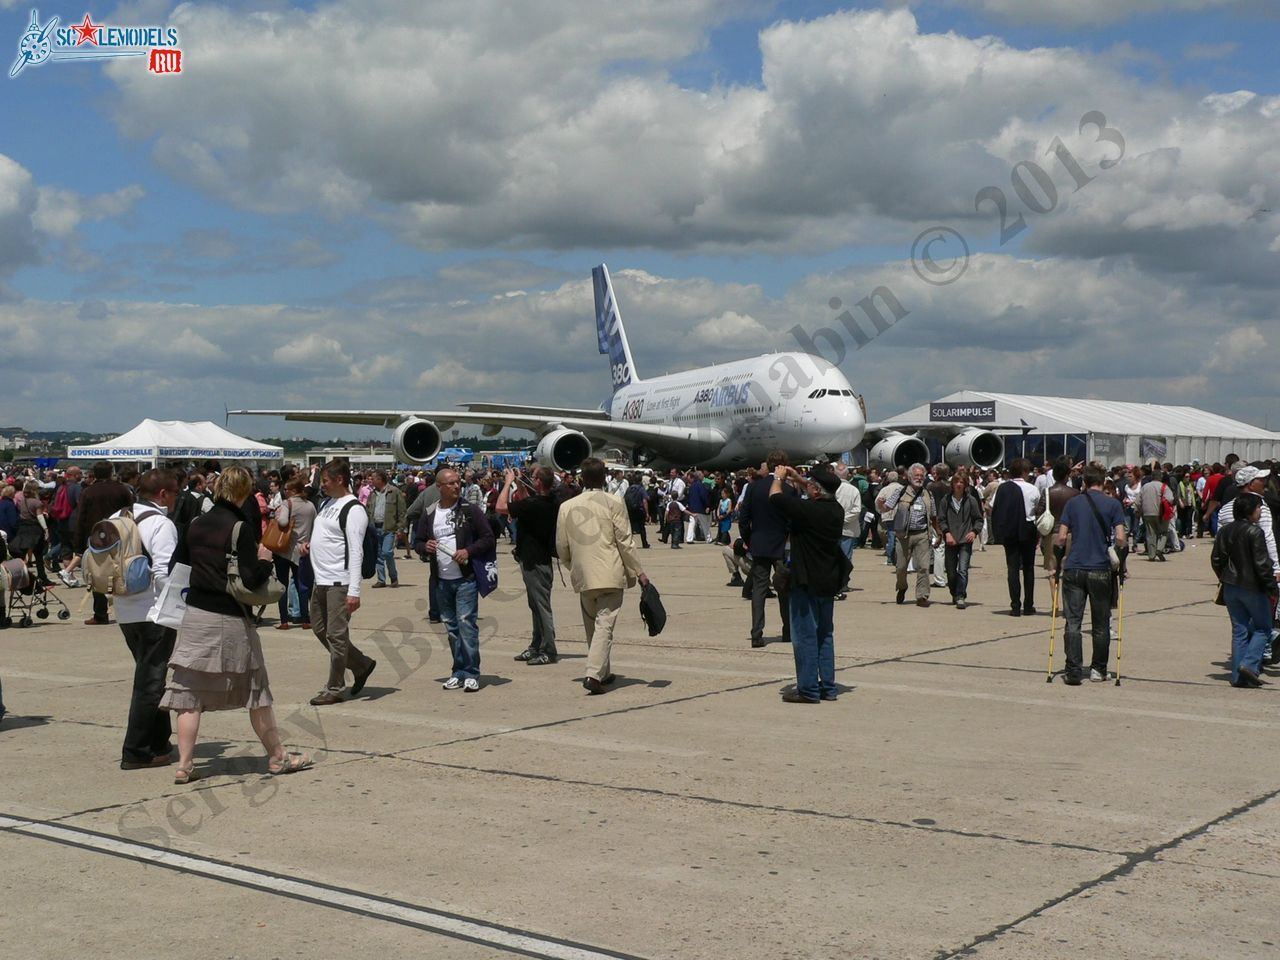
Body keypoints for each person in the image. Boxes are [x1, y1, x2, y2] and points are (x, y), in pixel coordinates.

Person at [161, 466, 312, 783]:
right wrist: (265, 558)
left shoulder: (195, 525)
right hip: (230, 617)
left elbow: (178, 566)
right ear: (243, 492)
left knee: (187, 694)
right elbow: (250, 578)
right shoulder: (239, 527)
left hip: (196, 616)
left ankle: (184, 765)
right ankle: (277, 757)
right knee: (256, 691)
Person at [555, 458, 648, 694]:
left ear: (582, 479)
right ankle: (593, 674)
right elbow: (625, 541)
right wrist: (639, 571)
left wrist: (573, 566)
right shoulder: (614, 502)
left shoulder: (567, 506)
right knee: (605, 625)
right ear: (604, 476)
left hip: (584, 576)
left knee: (592, 627)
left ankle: (603, 672)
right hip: (610, 572)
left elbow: (561, 546)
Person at [111, 470, 181, 770]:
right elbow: (164, 573)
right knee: (150, 683)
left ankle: (159, 741)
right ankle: (136, 751)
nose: (177, 498)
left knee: (150, 677)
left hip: (125, 610)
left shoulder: (117, 516)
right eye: (175, 492)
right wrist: (178, 609)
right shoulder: (160, 524)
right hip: (153, 611)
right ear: (163, 494)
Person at [769, 465, 846, 703]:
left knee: (804, 636)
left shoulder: (808, 510)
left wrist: (779, 477)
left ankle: (808, 689)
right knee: (825, 635)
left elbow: (775, 497)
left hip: (806, 580)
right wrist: (800, 479)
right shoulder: (836, 509)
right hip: (828, 580)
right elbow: (818, 492)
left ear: (815, 491)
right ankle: (828, 687)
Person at [415, 468, 495, 692]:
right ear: (439, 487)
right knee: (451, 627)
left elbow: (488, 538)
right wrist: (425, 547)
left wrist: (468, 551)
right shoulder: (431, 512)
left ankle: (471, 672)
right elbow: (418, 541)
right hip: (441, 580)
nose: (456, 486)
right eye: (450, 483)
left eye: (458, 482)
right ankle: (458, 671)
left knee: (466, 625)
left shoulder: (470, 510)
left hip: (465, 578)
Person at [307, 460, 377, 705]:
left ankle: (335, 687)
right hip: (321, 579)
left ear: (339, 480)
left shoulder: (353, 509)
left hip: (339, 582)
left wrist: (354, 591)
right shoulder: (327, 504)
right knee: (319, 629)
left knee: (336, 636)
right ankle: (361, 664)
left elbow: (356, 551)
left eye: (325, 480)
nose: (321, 485)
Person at [1052, 464, 1128, 685]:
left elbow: (1062, 536)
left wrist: (1059, 558)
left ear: (1084, 482)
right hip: (1100, 568)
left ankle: (1074, 670)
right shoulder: (1113, 504)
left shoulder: (1073, 503)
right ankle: (1098, 669)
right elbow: (1121, 538)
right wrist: (1119, 559)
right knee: (1100, 622)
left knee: (1073, 622)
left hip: (1075, 566)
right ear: (1103, 482)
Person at [1212, 491, 1278, 687]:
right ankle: (1249, 664)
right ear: (1250, 510)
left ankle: (1237, 676)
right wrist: (1272, 587)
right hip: (1252, 587)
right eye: (1258, 507)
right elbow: (1261, 564)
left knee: (1239, 630)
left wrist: (1224, 577)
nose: (1259, 511)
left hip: (1231, 586)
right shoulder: (1254, 531)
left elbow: (1216, 559)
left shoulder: (1225, 530)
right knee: (1263, 628)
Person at [498, 465, 559, 666]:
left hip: (535, 561)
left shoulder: (535, 504)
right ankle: (536, 645)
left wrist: (507, 483)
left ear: (539, 482)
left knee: (541, 607)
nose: (531, 479)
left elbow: (500, 507)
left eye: (533, 477)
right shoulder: (548, 502)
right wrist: (518, 481)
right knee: (535, 605)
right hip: (537, 559)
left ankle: (548, 649)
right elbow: (526, 502)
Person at [739, 451, 794, 647]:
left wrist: (748, 539)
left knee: (759, 590)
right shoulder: (788, 490)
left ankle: (756, 633)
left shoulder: (753, 488)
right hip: (781, 544)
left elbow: (744, 517)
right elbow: (792, 519)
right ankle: (788, 630)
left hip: (759, 543)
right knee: (784, 589)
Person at [74, 462, 135, 626]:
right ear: (111, 472)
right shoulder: (122, 489)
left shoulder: (88, 491)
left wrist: (78, 545)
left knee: (98, 574)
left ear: (94, 473)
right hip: (120, 534)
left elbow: (81, 518)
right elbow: (131, 511)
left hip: (96, 537)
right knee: (122, 572)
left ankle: (100, 614)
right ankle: (128, 610)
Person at [880, 463, 937, 607]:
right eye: (916, 475)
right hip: (903, 535)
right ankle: (902, 587)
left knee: (924, 567)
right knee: (901, 567)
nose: (919, 478)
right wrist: (881, 505)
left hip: (922, 534)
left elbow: (934, 515)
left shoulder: (928, 494)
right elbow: (887, 507)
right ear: (910, 477)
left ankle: (922, 596)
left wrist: (938, 532)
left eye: (921, 476)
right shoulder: (901, 492)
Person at [991, 458, 1041, 617]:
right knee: (1028, 568)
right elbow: (1036, 509)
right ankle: (1028, 604)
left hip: (1010, 529)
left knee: (1012, 568)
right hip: (1028, 528)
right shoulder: (1032, 489)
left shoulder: (1003, 488)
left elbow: (992, 506)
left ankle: (1015, 605)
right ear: (1025, 472)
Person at [271, 476, 316, 631]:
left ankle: (284, 621)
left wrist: (277, 515)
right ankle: (305, 619)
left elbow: (283, 522)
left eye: (286, 489)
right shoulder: (310, 505)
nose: (285, 492)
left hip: (284, 549)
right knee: (302, 585)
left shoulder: (286, 504)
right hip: (302, 550)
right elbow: (315, 525)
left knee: (282, 585)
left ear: (294, 490)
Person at [938, 472, 984, 609]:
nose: (959, 485)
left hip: (965, 540)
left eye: (961, 482)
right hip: (951, 539)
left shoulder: (971, 501)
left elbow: (979, 518)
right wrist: (946, 533)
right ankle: (954, 591)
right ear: (952, 484)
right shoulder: (946, 500)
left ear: (965, 485)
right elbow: (941, 519)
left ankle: (960, 596)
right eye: (956, 482)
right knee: (951, 571)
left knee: (963, 569)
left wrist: (974, 531)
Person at [365, 470, 406, 588]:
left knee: (387, 552)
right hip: (374, 528)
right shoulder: (372, 494)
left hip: (389, 528)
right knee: (378, 555)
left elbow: (402, 512)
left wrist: (400, 529)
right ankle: (381, 580)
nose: (371, 481)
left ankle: (393, 577)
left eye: (373, 479)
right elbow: (368, 511)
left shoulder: (394, 492)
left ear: (380, 479)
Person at [833, 463, 861, 601]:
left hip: (832, 527)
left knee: (833, 557)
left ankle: (835, 582)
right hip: (848, 528)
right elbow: (857, 510)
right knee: (846, 557)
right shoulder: (853, 490)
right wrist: (844, 519)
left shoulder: (831, 489)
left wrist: (837, 519)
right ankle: (843, 583)